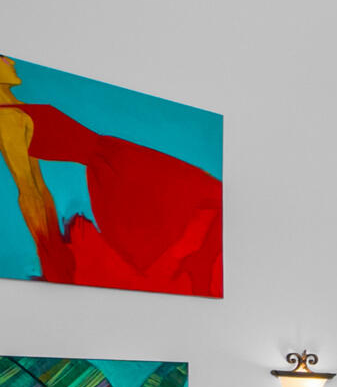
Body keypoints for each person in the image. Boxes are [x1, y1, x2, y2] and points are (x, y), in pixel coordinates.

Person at [0, 56, 221, 296]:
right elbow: (31, 189)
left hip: (113, 157)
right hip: (109, 166)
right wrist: (49, 247)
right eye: (3, 60)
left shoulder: (16, 110)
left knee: (194, 200)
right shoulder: (7, 119)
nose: (11, 62)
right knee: (186, 211)